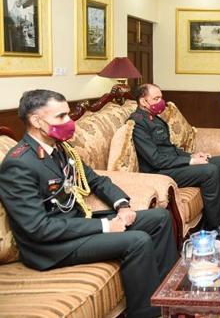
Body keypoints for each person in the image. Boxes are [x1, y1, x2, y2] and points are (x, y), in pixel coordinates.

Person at [0, 89, 177, 318]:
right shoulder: (20, 164)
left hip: (76, 225)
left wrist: (122, 205)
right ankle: (147, 314)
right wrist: (106, 226)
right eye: (61, 116)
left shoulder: (61, 148)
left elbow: (96, 181)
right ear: (36, 121)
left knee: (159, 218)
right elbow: (38, 228)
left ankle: (167, 296)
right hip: (51, 247)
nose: (69, 121)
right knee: (137, 240)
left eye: (68, 115)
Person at [130, 83, 220, 241]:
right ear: (143, 101)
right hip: (160, 172)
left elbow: (169, 148)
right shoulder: (137, 123)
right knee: (210, 171)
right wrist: (190, 161)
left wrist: (194, 155)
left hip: (172, 162)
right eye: (156, 98)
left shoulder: (155, 119)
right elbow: (156, 159)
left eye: (161, 97)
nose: (161, 101)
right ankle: (214, 226)